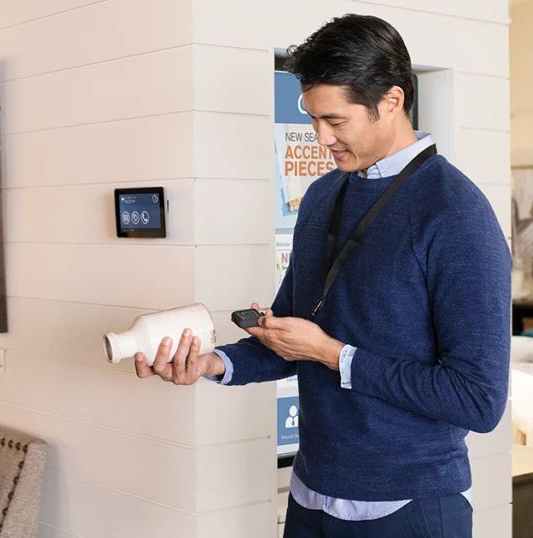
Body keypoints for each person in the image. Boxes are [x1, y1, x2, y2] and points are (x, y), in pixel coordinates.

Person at [133, 15, 511, 538]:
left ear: (392, 101)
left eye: (336, 121)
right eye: (311, 119)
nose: (320, 138)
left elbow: (477, 399)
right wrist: (210, 364)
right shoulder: (322, 195)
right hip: (311, 498)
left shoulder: (456, 214)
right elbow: (294, 333)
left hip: (411, 507)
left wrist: (331, 354)